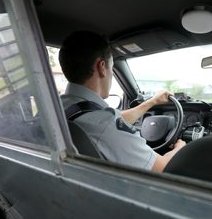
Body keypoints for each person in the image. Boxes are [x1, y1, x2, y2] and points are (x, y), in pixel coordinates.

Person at [59, 30, 186, 172]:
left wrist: (152, 102)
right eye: (112, 67)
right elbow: (162, 168)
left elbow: (110, 120)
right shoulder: (106, 127)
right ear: (102, 68)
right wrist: (181, 147)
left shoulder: (57, 107)